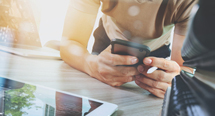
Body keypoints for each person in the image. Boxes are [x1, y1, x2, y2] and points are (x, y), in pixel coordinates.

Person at [60, 0, 197, 98]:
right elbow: (70, 42)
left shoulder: (191, 3)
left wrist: (176, 81)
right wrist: (91, 65)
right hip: (107, 42)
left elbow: (184, 68)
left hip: (156, 53)